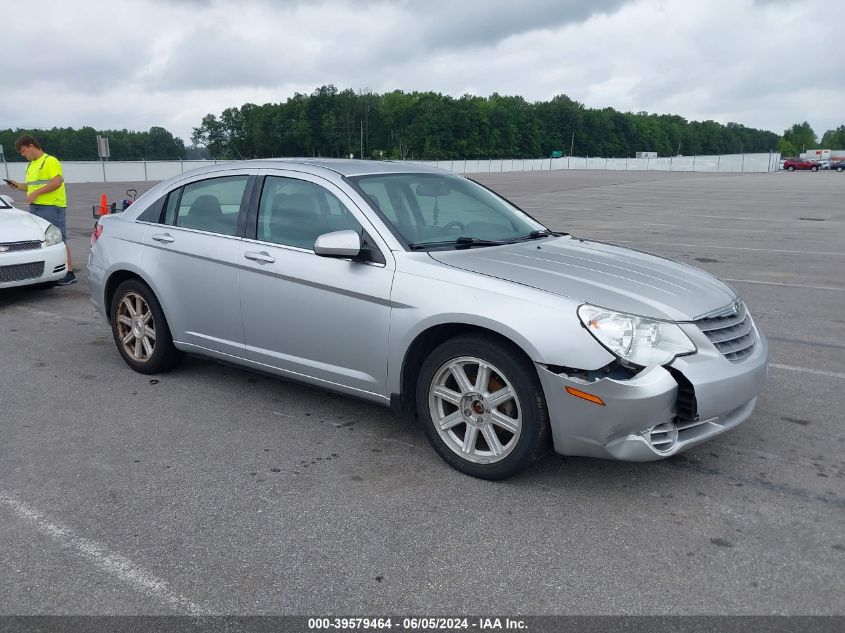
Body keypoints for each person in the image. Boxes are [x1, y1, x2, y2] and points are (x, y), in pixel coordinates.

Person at [6, 134, 76, 285]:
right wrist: (18, 185)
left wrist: (35, 193)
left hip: (52, 206)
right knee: (43, 240)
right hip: (36, 208)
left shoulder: (49, 161)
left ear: (31, 146)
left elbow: (57, 182)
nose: (23, 155)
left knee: (58, 239)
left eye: (23, 151)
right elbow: (31, 186)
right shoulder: (30, 165)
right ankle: (51, 271)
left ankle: (69, 273)